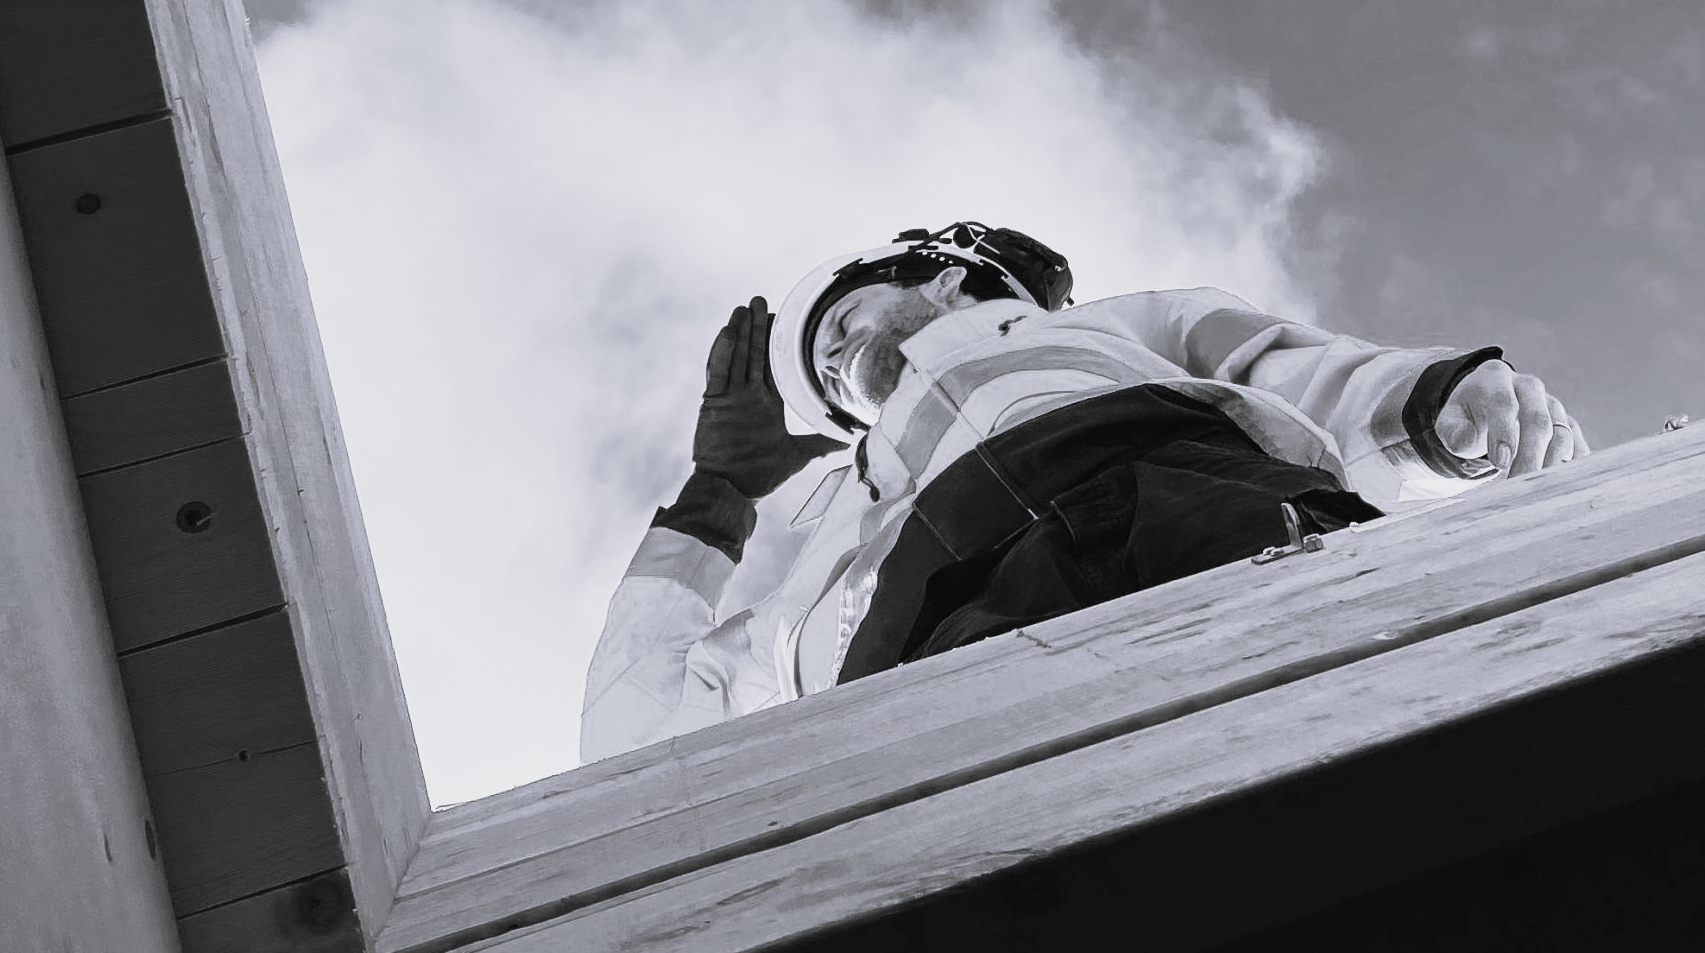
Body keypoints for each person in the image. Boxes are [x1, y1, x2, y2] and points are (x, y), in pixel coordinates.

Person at [580, 222, 1587, 763]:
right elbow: (641, 749)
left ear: (940, 279)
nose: (840, 362)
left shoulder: (1108, 331)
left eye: (846, 322)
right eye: (830, 377)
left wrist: (1432, 407)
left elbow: (1286, 365)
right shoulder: (842, 530)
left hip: (1190, 491)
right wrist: (716, 498)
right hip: (931, 635)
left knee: (1371, 723)